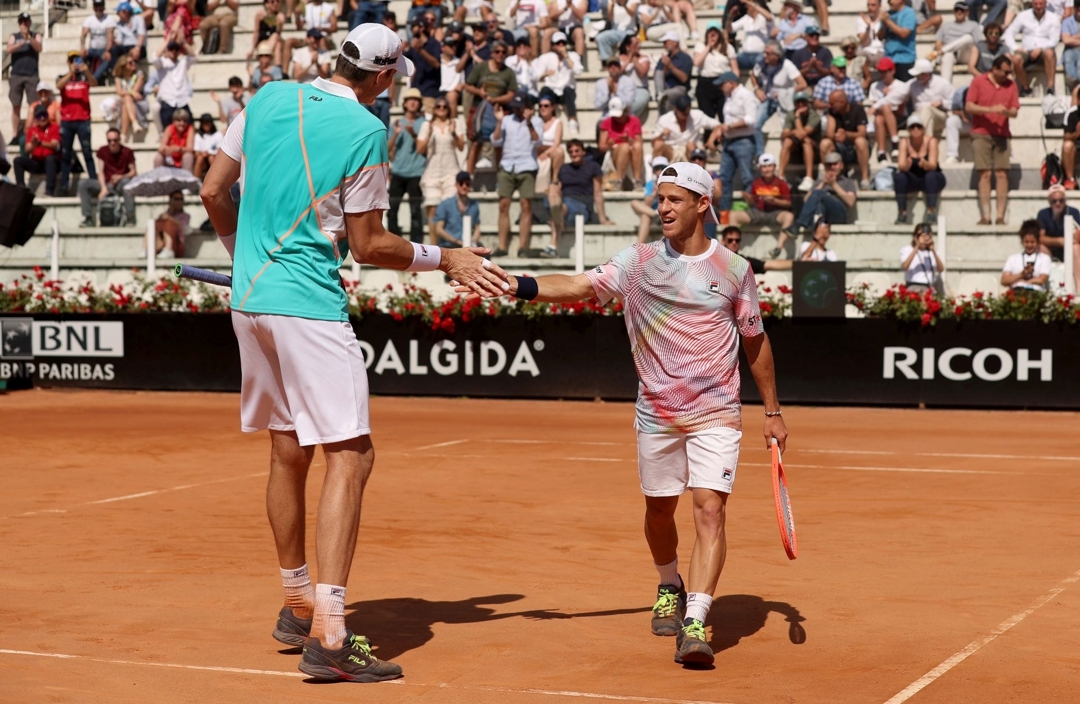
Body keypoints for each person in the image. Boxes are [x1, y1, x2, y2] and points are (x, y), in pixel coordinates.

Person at [199, 22, 506, 684]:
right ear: (387, 78)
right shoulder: (369, 131)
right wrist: (444, 256)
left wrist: (238, 254)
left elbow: (212, 192)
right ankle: (331, 636)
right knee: (352, 454)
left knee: (288, 448)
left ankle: (296, 602)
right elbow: (368, 245)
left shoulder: (266, 96)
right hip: (307, 306)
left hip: (249, 303)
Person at [475, 159, 788, 669]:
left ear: (702, 204)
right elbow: (578, 286)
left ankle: (695, 620)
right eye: (660, 198)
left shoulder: (734, 270)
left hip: (717, 411)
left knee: (710, 509)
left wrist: (772, 410)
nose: (662, 207)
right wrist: (515, 284)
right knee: (659, 510)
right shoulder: (637, 262)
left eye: (673, 199)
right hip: (657, 414)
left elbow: (754, 340)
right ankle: (670, 583)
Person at [966, 53, 1019, 225]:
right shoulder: (978, 81)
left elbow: (1015, 111)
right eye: (1004, 72)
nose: (1008, 75)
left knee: (1002, 174)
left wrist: (1006, 112)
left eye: (1009, 72)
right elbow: (969, 106)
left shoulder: (1011, 85)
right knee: (985, 174)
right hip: (981, 132)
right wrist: (990, 110)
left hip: (1002, 133)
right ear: (995, 69)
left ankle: (1000, 215)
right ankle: (986, 215)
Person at [492, 93, 543, 256]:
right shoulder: (506, 120)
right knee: (503, 205)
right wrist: (499, 122)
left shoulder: (536, 121)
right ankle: (502, 246)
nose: (516, 109)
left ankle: (522, 246)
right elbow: (495, 140)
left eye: (519, 106)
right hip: (507, 165)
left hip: (527, 165)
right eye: (514, 106)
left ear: (527, 107)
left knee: (526, 206)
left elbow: (538, 142)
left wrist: (529, 124)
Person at [545, 139, 614, 256]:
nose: (574, 154)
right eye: (571, 152)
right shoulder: (564, 168)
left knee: (560, 209)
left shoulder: (593, 167)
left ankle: (556, 218)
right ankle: (557, 213)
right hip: (563, 200)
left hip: (581, 204)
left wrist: (603, 219)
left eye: (577, 151)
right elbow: (558, 188)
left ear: (583, 152)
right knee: (553, 189)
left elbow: (597, 193)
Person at [708, 72, 759, 217]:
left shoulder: (746, 95)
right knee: (724, 178)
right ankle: (725, 213)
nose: (720, 88)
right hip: (730, 141)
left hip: (744, 140)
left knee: (747, 177)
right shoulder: (729, 97)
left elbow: (751, 119)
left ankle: (749, 213)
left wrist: (730, 127)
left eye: (722, 84)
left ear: (731, 83)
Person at [463, 40, 517, 172]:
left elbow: (511, 94)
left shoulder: (508, 72)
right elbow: (468, 85)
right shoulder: (482, 67)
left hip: (499, 110)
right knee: (476, 142)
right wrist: (479, 93)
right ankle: (469, 175)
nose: (500, 54)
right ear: (492, 53)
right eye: (497, 51)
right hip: (480, 109)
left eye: (503, 52)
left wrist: (496, 99)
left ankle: (500, 175)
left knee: (499, 144)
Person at [729, 154, 796, 257]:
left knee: (789, 216)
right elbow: (752, 203)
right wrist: (748, 198)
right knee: (733, 215)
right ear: (760, 169)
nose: (767, 169)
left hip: (775, 213)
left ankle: (778, 248)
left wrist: (775, 201)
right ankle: (733, 248)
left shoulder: (781, 183)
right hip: (759, 212)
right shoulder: (756, 183)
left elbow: (788, 203)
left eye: (769, 166)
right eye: (764, 167)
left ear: (774, 167)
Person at [416, 97, 464, 243]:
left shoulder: (456, 123)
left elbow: (461, 147)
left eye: (445, 106)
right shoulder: (427, 125)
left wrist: (454, 133)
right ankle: (434, 246)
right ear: (434, 109)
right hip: (432, 172)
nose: (442, 108)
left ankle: (451, 246)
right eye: (439, 106)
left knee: (451, 209)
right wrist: (430, 133)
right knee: (433, 209)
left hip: (451, 171)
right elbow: (420, 150)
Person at [749, 42, 806, 156]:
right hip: (768, 98)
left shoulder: (787, 65)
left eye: (768, 53)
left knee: (787, 128)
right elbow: (752, 74)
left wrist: (784, 92)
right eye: (764, 52)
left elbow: (802, 84)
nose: (764, 55)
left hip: (784, 100)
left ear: (776, 55)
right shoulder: (762, 64)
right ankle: (760, 154)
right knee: (755, 124)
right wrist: (757, 89)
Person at [57, 51, 99, 198]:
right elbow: (58, 86)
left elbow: (94, 83)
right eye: (72, 60)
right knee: (66, 155)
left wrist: (87, 72)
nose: (75, 63)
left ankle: (94, 183)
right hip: (67, 121)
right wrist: (70, 73)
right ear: (68, 63)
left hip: (83, 120)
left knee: (87, 153)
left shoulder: (85, 78)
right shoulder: (63, 77)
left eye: (78, 60)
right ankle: (64, 185)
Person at [389, 87, 427, 243]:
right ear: (404, 104)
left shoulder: (424, 123)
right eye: (410, 100)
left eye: (416, 100)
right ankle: (394, 244)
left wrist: (412, 133)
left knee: (415, 211)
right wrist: (397, 133)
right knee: (392, 211)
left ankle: (416, 246)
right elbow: (387, 149)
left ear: (419, 104)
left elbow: (422, 148)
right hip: (398, 172)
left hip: (416, 173)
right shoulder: (397, 123)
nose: (413, 103)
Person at [894, 114, 946, 224]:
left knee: (930, 175)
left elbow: (933, 165)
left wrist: (925, 164)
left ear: (923, 129)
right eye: (913, 127)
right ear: (908, 129)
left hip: (932, 177)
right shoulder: (904, 142)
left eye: (919, 127)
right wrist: (907, 166)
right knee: (900, 177)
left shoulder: (931, 141)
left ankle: (931, 211)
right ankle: (902, 212)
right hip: (914, 178)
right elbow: (901, 165)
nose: (916, 130)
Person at [78, 127, 136, 226]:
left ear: (119, 140)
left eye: (115, 140)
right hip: (106, 183)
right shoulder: (103, 151)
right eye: (109, 141)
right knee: (83, 184)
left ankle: (130, 216)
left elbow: (133, 172)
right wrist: (103, 188)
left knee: (127, 183)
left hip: (120, 184)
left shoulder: (127, 152)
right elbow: (100, 171)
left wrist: (120, 177)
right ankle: (88, 217)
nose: (112, 143)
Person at [1005, 0, 1060, 98]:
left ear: (1045, 4)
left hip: (1044, 50)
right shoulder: (1023, 16)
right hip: (1027, 50)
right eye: (1036, 4)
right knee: (1016, 58)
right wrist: (1016, 47)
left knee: (1050, 52)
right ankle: (1026, 89)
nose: (1038, 6)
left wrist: (1041, 48)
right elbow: (1009, 33)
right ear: (1032, 4)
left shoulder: (1053, 18)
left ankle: (1050, 88)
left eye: (1041, 4)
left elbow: (1054, 40)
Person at [821, 89, 872, 189]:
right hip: (841, 149)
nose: (830, 106)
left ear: (842, 102)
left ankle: (865, 179)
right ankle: (829, 177)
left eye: (832, 103)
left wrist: (846, 135)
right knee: (825, 143)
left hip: (856, 149)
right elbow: (830, 133)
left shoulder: (858, 110)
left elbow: (862, 132)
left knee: (860, 141)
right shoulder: (832, 112)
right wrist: (837, 135)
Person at [793, 151, 857, 231]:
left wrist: (833, 184)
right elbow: (806, 200)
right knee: (819, 208)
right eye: (829, 165)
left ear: (841, 165)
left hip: (839, 214)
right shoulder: (819, 182)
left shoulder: (848, 182)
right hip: (822, 214)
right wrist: (823, 184)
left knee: (819, 193)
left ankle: (800, 222)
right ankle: (816, 240)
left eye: (835, 164)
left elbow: (851, 202)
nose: (832, 167)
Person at [533, 30, 582, 134]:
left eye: (563, 43)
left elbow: (578, 71)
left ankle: (572, 121)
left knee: (568, 89)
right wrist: (545, 74)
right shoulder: (546, 58)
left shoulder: (573, 56)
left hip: (566, 91)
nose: (561, 45)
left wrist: (566, 57)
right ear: (553, 46)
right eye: (558, 43)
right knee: (544, 90)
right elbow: (536, 76)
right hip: (552, 91)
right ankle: (542, 120)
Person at [653, 93, 719, 164]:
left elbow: (718, 125)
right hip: (672, 152)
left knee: (691, 145)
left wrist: (711, 140)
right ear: (676, 109)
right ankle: (656, 173)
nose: (686, 116)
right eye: (684, 114)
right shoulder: (665, 119)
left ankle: (695, 173)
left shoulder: (697, 115)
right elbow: (654, 143)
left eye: (688, 113)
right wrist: (662, 135)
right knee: (658, 144)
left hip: (691, 152)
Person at [8, 12, 44, 141]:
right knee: (16, 105)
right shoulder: (14, 36)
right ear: (19, 24)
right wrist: (21, 42)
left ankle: (32, 133)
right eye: (22, 22)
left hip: (31, 75)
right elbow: (8, 49)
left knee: (33, 105)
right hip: (16, 74)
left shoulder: (36, 35)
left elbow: (39, 48)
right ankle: (15, 134)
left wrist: (29, 38)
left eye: (26, 22)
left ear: (30, 23)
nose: (24, 24)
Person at [867, 56, 909, 163]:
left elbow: (901, 108)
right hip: (882, 117)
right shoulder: (875, 86)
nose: (882, 74)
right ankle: (882, 152)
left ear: (892, 71)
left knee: (885, 107)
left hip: (899, 117)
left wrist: (886, 99)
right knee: (879, 119)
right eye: (881, 71)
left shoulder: (901, 86)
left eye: (885, 71)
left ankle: (894, 143)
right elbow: (875, 108)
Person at [598, 97, 644, 191]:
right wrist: (610, 144)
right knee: (625, 147)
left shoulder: (634, 121)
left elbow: (639, 142)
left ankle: (637, 180)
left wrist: (629, 139)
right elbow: (602, 146)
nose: (617, 117)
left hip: (632, 152)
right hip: (615, 153)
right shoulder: (607, 122)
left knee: (635, 146)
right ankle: (618, 180)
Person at [693, 22, 737, 119]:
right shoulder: (700, 46)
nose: (713, 35)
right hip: (706, 82)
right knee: (706, 116)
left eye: (715, 32)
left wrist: (732, 83)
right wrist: (708, 46)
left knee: (724, 115)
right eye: (710, 32)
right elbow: (696, 62)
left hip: (723, 81)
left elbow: (735, 70)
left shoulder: (728, 47)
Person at [779, 90, 821, 192]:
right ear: (794, 104)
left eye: (803, 102)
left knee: (806, 142)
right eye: (798, 102)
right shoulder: (790, 114)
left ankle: (809, 177)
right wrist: (793, 132)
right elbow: (784, 135)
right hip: (796, 149)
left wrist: (797, 116)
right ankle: (780, 176)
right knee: (787, 141)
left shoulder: (814, 115)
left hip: (814, 150)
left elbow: (803, 134)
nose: (801, 105)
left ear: (808, 103)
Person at [13, 106, 60, 196]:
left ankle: (49, 191)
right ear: (36, 119)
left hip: (51, 163)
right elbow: (27, 149)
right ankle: (21, 189)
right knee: (18, 160)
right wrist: (33, 144)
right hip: (37, 162)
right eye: (39, 116)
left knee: (50, 159)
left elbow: (55, 145)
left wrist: (40, 143)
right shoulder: (32, 130)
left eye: (44, 115)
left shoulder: (54, 127)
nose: (42, 118)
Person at [931, 2, 983, 82]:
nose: (959, 12)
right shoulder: (945, 25)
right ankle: (946, 87)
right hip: (949, 54)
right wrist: (943, 49)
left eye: (962, 10)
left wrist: (942, 50)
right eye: (957, 9)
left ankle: (943, 50)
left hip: (965, 54)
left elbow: (979, 44)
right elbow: (937, 43)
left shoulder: (973, 25)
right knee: (948, 55)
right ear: (953, 11)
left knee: (968, 38)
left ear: (967, 12)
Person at [907, 58, 955, 138]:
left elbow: (954, 103)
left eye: (918, 74)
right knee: (928, 120)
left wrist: (942, 103)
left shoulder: (943, 83)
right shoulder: (912, 84)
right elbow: (898, 93)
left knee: (926, 109)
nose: (916, 76)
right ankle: (927, 145)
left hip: (940, 117)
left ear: (926, 75)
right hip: (920, 115)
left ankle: (917, 138)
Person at [155, 39, 196, 129]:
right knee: (167, 130)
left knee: (190, 128)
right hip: (167, 101)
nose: (173, 51)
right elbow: (155, 57)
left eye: (176, 49)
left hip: (182, 101)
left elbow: (194, 57)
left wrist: (184, 42)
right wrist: (166, 41)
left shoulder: (183, 62)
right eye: (171, 49)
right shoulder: (162, 64)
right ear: (167, 50)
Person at [406, 18, 442, 115]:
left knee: (428, 120)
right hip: (415, 90)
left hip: (430, 90)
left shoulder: (434, 44)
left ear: (421, 28)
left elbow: (436, 64)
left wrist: (421, 50)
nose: (411, 29)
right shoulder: (414, 45)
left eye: (414, 26)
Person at [1002, 221, 1053, 290]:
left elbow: (1042, 279)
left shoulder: (1044, 258)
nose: (1029, 245)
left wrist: (1024, 282)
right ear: (1022, 242)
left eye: (1032, 242)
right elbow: (1004, 280)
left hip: (1036, 293)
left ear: (1037, 242)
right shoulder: (1013, 259)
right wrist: (1022, 274)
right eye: (1026, 242)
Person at [435, 171, 481, 246]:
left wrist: (474, 241)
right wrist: (456, 241)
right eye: (461, 183)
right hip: (449, 244)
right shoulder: (445, 204)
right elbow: (439, 229)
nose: (464, 186)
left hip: (467, 244)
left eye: (467, 184)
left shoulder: (474, 204)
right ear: (456, 185)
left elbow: (477, 228)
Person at [110, 53, 149, 141]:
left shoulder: (140, 75)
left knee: (126, 100)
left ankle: (123, 135)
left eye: (134, 62)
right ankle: (134, 123)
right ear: (123, 66)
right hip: (125, 102)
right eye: (130, 63)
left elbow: (136, 90)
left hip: (138, 103)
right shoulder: (118, 78)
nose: (134, 64)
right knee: (126, 101)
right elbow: (119, 91)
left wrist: (128, 93)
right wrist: (130, 93)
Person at [1036, 184, 1080, 262]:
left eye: (1061, 200)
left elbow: (1077, 236)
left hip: (1070, 247)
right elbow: (1040, 237)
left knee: (1076, 247)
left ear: (1065, 200)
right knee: (1039, 247)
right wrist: (1058, 241)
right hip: (1051, 249)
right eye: (1054, 201)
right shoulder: (1043, 214)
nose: (1058, 203)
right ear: (1049, 201)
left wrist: (1067, 241)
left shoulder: (1073, 212)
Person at [721, 224, 793, 272]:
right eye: (730, 240)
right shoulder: (713, 259)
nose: (734, 243)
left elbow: (768, 265)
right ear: (723, 241)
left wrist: (798, 264)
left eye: (737, 240)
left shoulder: (744, 262)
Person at [631, 155, 670, 242]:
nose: (659, 171)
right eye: (657, 168)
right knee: (635, 204)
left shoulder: (671, 183)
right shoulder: (650, 184)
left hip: (666, 211)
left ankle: (638, 248)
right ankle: (639, 248)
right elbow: (647, 204)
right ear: (653, 170)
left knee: (645, 216)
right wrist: (654, 193)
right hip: (654, 212)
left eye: (662, 168)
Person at [654, 30, 693, 114]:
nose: (664, 45)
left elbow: (684, 79)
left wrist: (671, 67)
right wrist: (665, 67)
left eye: (666, 42)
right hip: (666, 88)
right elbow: (659, 76)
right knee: (658, 72)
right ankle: (659, 94)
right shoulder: (664, 59)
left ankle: (661, 96)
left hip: (680, 89)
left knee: (665, 98)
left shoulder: (685, 58)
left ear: (675, 43)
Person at [900, 223, 944, 292]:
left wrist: (933, 250)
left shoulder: (931, 252)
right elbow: (904, 267)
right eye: (919, 235)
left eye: (926, 235)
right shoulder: (907, 249)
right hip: (912, 285)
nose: (923, 238)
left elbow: (941, 269)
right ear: (915, 236)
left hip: (928, 286)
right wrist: (916, 247)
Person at [618, 34, 653, 122]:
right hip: (624, 90)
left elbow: (642, 73)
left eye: (639, 43)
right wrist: (629, 59)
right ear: (628, 46)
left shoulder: (644, 58)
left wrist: (634, 60)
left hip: (641, 89)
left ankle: (625, 121)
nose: (639, 46)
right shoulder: (620, 59)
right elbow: (618, 73)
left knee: (633, 106)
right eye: (636, 44)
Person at [879, 0, 917, 80]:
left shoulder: (909, 13)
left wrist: (888, 21)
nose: (889, 2)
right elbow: (880, 37)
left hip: (905, 59)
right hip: (888, 58)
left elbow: (904, 34)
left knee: (904, 89)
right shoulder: (887, 14)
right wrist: (884, 25)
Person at [730, 1, 774, 70]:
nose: (746, 7)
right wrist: (730, 16)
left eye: (748, 6)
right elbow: (730, 29)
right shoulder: (746, 18)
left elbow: (770, 17)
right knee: (730, 61)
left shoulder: (763, 18)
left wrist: (751, 3)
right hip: (745, 55)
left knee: (761, 63)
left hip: (760, 54)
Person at [535, 95, 564, 199]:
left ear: (553, 107)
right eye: (541, 105)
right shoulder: (535, 121)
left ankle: (554, 179)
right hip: (536, 150)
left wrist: (546, 153)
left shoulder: (557, 123)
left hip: (550, 150)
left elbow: (556, 143)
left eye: (546, 106)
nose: (543, 108)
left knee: (559, 151)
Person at [81, 0, 117, 83]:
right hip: (92, 49)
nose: (99, 8)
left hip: (103, 49)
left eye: (100, 6)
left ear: (104, 7)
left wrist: (107, 50)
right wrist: (82, 47)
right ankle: (82, 78)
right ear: (93, 8)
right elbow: (83, 34)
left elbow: (110, 35)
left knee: (107, 59)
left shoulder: (109, 19)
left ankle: (94, 78)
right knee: (78, 58)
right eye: (96, 6)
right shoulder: (89, 19)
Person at [153, 190, 189, 258]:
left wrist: (169, 218)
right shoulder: (164, 215)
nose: (179, 201)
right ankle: (146, 248)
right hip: (161, 243)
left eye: (181, 199)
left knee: (169, 223)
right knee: (156, 223)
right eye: (176, 199)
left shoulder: (186, 216)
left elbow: (185, 228)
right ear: (170, 200)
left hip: (177, 246)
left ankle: (168, 249)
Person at [944, 84, 970, 164]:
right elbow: (954, 110)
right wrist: (962, 114)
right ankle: (952, 155)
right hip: (968, 123)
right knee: (951, 121)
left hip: (983, 123)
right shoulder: (959, 93)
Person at [857, 0, 886, 67]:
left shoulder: (885, 19)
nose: (870, 8)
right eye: (868, 5)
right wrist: (869, 27)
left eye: (873, 5)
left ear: (879, 6)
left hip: (881, 50)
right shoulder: (861, 20)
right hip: (866, 51)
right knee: (859, 55)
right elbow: (864, 42)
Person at [193, 113, 221, 180]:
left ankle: (216, 180)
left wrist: (210, 153)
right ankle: (196, 181)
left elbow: (220, 151)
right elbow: (196, 152)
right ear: (201, 124)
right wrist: (203, 154)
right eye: (204, 123)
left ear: (211, 123)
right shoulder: (198, 135)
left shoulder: (218, 134)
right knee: (200, 158)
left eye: (208, 122)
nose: (206, 125)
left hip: (214, 159)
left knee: (211, 158)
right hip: (203, 161)